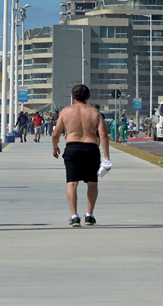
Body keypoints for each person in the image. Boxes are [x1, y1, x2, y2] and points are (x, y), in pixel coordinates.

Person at [52, 85, 111, 227]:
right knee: (92, 183)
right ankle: (89, 216)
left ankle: (74, 217)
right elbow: (103, 134)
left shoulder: (66, 112)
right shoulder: (95, 112)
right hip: (91, 148)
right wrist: (106, 156)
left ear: (72, 97)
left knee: (72, 183)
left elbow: (55, 133)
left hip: (72, 148)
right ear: (88, 97)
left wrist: (55, 148)